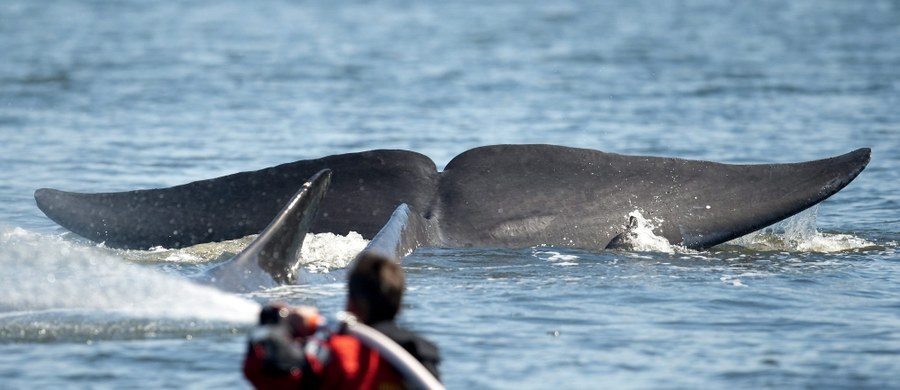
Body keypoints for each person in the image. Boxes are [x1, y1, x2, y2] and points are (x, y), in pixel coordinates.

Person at [243, 252, 441, 389]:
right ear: (398, 307)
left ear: (350, 303)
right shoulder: (422, 358)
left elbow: (262, 370)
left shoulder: (337, 353)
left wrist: (278, 324)